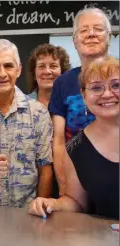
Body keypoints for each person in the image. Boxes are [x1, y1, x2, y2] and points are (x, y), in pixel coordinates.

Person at [28, 56, 119, 220]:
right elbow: (77, 202)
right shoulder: (76, 149)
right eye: (96, 88)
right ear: (83, 95)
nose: (107, 94)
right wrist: (52, 204)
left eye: (116, 85)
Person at [0, 39, 53, 207]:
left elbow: (45, 169)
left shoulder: (38, 113)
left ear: (18, 70)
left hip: (26, 216)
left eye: (8, 66)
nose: (2, 73)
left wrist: (38, 210)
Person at [48, 7, 111, 196]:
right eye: (84, 30)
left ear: (109, 36)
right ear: (74, 41)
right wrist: (64, 188)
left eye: (98, 29)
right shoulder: (63, 83)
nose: (91, 34)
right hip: (75, 181)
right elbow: (58, 141)